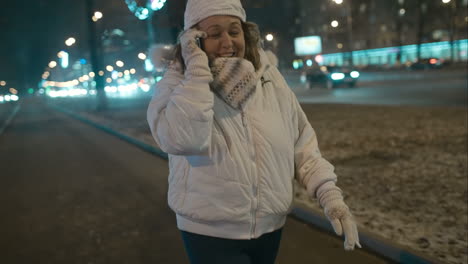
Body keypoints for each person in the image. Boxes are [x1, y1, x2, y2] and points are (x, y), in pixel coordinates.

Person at [147, 0, 361, 263]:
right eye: (214, 34)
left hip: (271, 230)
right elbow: (183, 139)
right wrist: (197, 72)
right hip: (210, 234)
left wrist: (329, 195)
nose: (227, 42)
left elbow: (302, 144)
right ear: (194, 39)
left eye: (234, 31)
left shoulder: (269, 79)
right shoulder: (177, 83)